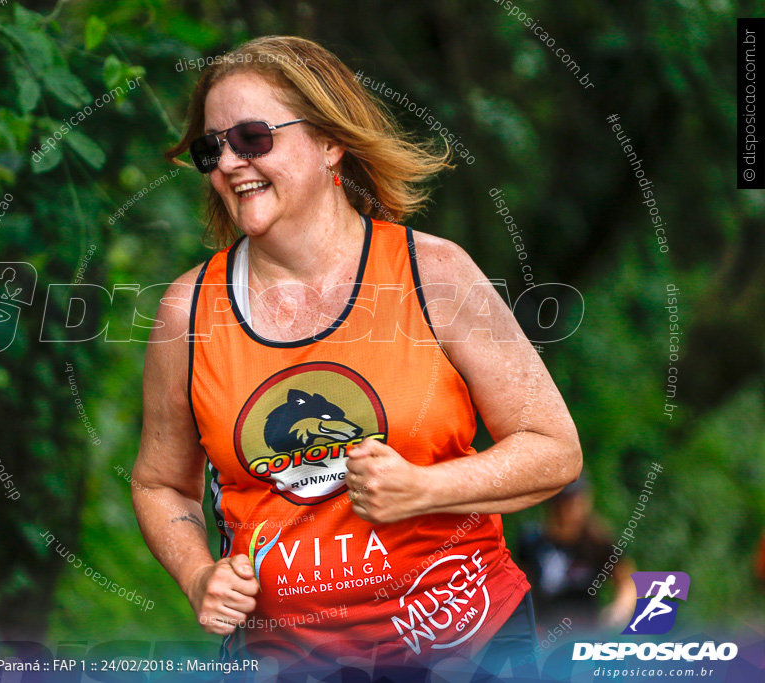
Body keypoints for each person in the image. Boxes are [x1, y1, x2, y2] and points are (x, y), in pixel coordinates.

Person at [131, 35, 582, 680]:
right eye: (213, 148)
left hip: (466, 646)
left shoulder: (434, 273)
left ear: (329, 141)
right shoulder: (189, 310)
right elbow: (160, 483)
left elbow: (553, 448)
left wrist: (427, 488)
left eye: (253, 138)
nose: (230, 162)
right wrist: (197, 573)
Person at [516, 478, 637, 635]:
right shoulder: (531, 541)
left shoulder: (598, 542)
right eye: (562, 501)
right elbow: (519, 590)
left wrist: (620, 609)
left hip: (586, 633)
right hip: (543, 632)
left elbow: (626, 581)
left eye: (574, 500)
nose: (568, 509)